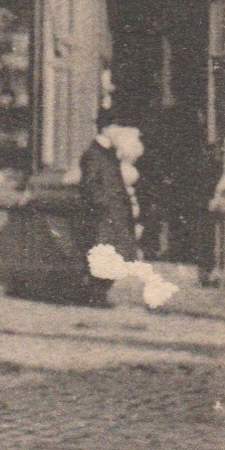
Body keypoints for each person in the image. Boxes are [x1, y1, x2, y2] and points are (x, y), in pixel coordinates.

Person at [77, 108, 144, 307]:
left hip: (114, 214)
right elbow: (90, 184)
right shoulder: (94, 153)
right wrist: (103, 205)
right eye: (117, 127)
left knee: (116, 256)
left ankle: (98, 295)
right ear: (107, 129)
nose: (120, 131)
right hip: (105, 215)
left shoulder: (108, 152)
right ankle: (95, 296)